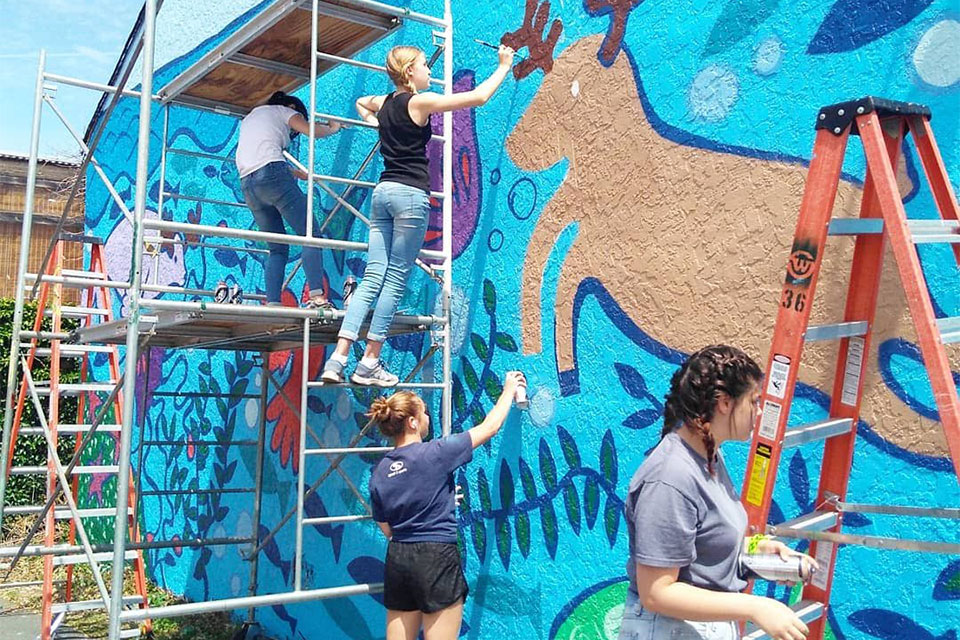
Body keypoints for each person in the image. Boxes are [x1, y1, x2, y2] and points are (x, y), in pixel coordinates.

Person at [321, 44, 515, 386]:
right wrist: (503, 65)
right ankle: (368, 362)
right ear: (409, 72)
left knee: (371, 279)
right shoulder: (418, 102)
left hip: (382, 194)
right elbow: (479, 98)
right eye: (425, 65)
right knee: (395, 281)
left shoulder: (384, 104)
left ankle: (337, 359)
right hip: (410, 196)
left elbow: (362, 103)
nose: (430, 71)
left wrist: (375, 125)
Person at [619, 345, 819, 640]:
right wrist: (755, 607)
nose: (760, 411)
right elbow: (656, 593)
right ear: (724, 403)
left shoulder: (710, 457)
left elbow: (704, 548)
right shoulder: (671, 477)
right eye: (754, 401)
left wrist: (756, 549)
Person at [367, 371, 526, 640]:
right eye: (425, 413)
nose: (429, 417)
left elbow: (389, 528)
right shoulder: (436, 452)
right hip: (435, 556)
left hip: (398, 559)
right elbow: (490, 427)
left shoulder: (380, 471)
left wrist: (438, 502)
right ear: (413, 422)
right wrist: (509, 388)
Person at [236, 90, 342, 308]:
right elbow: (312, 131)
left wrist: (292, 173)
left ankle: (273, 303)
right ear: (293, 108)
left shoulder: (250, 118)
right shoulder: (284, 111)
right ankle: (316, 296)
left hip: (248, 184)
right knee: (310, 234)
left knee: (277, 248)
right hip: (272, 175)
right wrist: (333, 128)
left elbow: (259, 158)